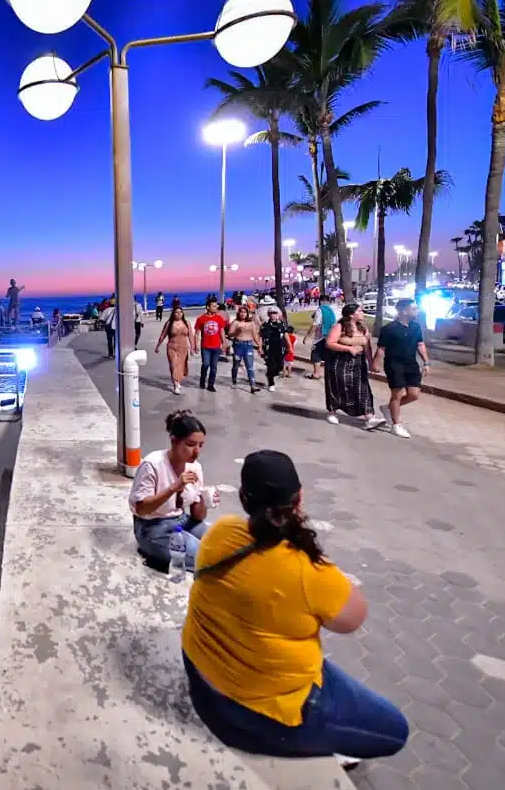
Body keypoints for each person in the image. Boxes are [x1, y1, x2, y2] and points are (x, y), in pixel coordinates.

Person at [183, 450, 408, 761]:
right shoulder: (308, 570)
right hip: (252, 717)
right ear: (299, 499)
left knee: (323, 669)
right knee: (395, 730)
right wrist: (311, 553)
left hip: (204, 685)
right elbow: (354, 618)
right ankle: (310, 742)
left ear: (244, 498)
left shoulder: (220, 532)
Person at [128, 410, 214, 571]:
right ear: (174, 441)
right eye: (190, 444)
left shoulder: (195, 467)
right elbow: (141, 509)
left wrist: (204, 499)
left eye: (200, 445)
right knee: (206, 557)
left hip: (181, 521)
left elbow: (198, 516)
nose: (197, 451)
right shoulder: (153, 464)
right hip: (151, 527)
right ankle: (154, 551)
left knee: (225, 542)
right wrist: (174, 487)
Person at [373, 299, 430, 439]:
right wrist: (375, 364)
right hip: (394, 364)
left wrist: (426, 362)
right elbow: (381, 348)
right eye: (414, 309)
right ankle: (396, 424)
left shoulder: (415, 327)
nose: (417, 311)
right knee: (397, 394)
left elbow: (420, 344)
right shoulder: (389, 329)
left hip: (411, 364)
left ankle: (388, 408)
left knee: (414, 394)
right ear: (404, 311)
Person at [323, 304, 384, 430]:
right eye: (359, 311)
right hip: (339, 362)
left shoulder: (363, 328)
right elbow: (329, 343)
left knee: (363, 388)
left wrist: (371, 362)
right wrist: (348, 348)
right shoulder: (339, 326)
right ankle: (332, 412)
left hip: (358, 363)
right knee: (337, 387)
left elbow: (367, 347)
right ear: (351, 314)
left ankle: (369, 418)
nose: (362, 313)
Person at [155, 302, 194, 394]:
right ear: (173, 313)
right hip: (172, 347)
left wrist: (193, 348)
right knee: (173, 365)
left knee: (180, 365)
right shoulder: (169, 323)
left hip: (183, 347)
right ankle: (175, 385)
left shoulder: (186, 323)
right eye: (176, 312)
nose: (179, 314)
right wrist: (157, 346)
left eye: (180, 312)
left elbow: (191, 336)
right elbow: (163, 335)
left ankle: (177, 381)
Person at [192, 299, 228, 392]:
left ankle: (211, 384)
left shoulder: (219, 318)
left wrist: (224, 343)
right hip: (205, 346)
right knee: (206, 364)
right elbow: (196, 333)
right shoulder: (201, 319)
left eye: (216, 306)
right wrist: (196, 345)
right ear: (208, 307)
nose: (216, 307)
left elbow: (222, 331)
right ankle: (202, 380)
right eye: (214, 306)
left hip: (216, 346)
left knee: (214, 366)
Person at [227, 306, 262, 394]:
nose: (243, 314)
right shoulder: (235, 322)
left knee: (250, 367)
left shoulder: (251, 323)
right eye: (241, 312)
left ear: (247, 313)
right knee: (236, 365)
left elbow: (255, 335)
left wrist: (260, 346)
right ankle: (234, 381)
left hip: (248, 346)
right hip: (238, 346)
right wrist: (237, 332)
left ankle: (252, 385)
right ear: (238, 313)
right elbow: (230, 334)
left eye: (244, 312)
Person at [305, 295, 338, 379]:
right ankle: (331, 374)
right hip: (332, 336)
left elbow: (316, 325)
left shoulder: (320, 310)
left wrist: (307, 336)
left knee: (316, 355)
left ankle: (316, 374)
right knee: (329, 355)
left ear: (320, 301)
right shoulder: (332, 310)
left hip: (321, 337)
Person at [260, 309, 290, 392]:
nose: (273, 315)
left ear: (277, 314)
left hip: (280, 348)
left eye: (275, 313)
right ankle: (271, 383)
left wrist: (290, 346)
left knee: (280, 366)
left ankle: (271, 375)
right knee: (270, 366)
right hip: (269, 349)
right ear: (268, 315)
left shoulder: (282, 324)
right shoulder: (265, 325)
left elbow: (286, 334)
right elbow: (261, 337)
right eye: (271, 313)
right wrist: (260, 348)